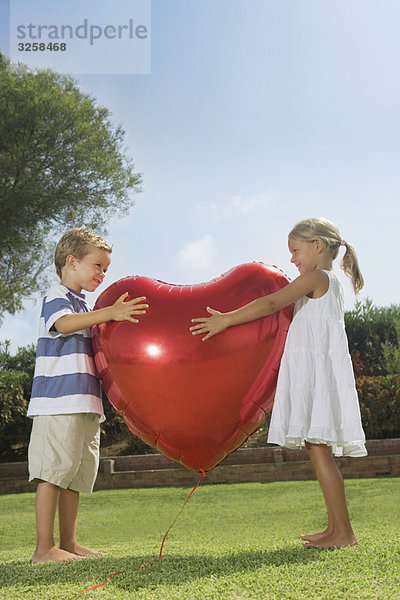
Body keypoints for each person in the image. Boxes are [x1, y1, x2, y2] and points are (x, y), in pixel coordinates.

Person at [190, 217, 367, 548]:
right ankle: (335, 528)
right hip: (318, 372)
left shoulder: (317, 277)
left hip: (316, 375)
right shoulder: (328, 280)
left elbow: (272, 303)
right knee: (318, 450)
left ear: (318, 246)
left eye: (295, 250)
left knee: (319, 450)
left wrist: (226, 320)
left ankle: (343, 533)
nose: (291, 259)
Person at [27, 226, 148, 563]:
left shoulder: (84, 303)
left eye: (106, 269)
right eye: (98, 266)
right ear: (72, 262)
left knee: (75, 475)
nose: (103, 273)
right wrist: (110, 313)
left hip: (85, 401)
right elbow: (63, 325)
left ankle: (68, 543)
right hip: (59, 402)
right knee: (53, 472)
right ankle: (43, 548)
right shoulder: (57, 296)